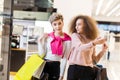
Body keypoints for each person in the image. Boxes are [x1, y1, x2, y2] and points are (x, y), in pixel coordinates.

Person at [67, 15, 108, 80]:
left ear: (86, 25)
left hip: (88, 71)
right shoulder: (75, 36)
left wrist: (103, 51)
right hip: (74, 70)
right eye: (76, 25)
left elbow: (94, 61)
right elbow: (80, 48)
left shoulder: (92, 40)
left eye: (79, 24)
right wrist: (94, 43)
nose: (76, 27)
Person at [36, 13, 71, 80]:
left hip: (56, 66)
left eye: (59, 23)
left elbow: (65, 58)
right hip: (45, 65)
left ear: (63, 23)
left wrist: (61, 75)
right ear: (52, 25)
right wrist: (40, 42)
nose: (57, 26)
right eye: (55, 24)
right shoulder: (48, 37)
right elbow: (42, 54)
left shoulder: (67, 40)